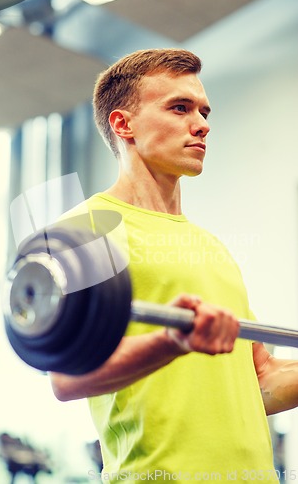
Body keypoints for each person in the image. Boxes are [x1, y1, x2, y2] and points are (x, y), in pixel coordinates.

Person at [49, 49, 298, 482]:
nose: (202, 124)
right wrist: (173, 341)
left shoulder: (211, 246)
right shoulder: (87, 229)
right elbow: (68, 379)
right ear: (123, 124)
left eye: (203, 111)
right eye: (179, 108)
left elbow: (259, 381)